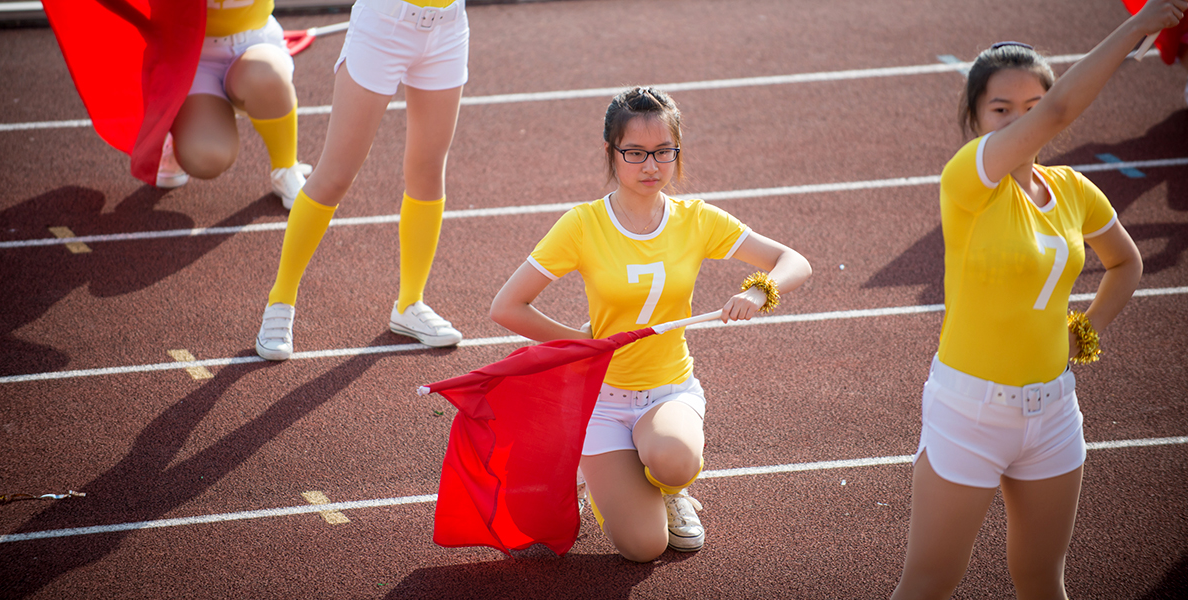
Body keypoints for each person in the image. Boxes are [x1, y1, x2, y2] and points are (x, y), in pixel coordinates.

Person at [891, 2, 1184, 598]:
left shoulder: (1073, 189)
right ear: (973, 118)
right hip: (968, 413)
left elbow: (1125, 263)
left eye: (1031, 108)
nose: (1021, 121)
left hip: (1054, 414)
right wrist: (1137, 26)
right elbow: (1059, 109)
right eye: (1001, 109)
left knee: (1042, 580)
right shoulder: (969, 178)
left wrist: (1088, 328)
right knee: (929, 583)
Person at [489, 87, 812, 562]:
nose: (651, 166)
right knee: (644, 548)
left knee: (675, 461)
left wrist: (758, 290)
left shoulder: (696, 219)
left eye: (664, 151)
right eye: (635, 152)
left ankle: (670, 489)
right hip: (600, 400)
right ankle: (591, 474)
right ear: (610, 152)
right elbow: (507, 306)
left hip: (668, 392)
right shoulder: (582, 225)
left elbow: (794, 260)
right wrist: (582, 342)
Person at [255, 0, 470, 360]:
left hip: (448, 28)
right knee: (336, 174)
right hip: (384, 25)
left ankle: (409, 304)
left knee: (429, 170)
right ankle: (280, 301)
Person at [157, 0, 313, 209]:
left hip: (253, 43)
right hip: (193, 54)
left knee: (267, 75)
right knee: (205, 158)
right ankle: (180, 135)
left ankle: (285, 166)